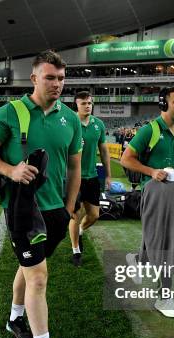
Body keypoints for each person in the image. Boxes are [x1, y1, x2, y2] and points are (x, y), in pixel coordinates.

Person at [0, 50, 81, 338]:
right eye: (50, 77)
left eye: (62, 78)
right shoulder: (10, 112)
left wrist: (68, 208)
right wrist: (10, 169)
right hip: (22, 210)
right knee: (38, 277)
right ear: (34, 78)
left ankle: (14, 318)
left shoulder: (71, 118)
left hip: (56, 213)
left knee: (29, 267)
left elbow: (76, 166)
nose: (57, 84)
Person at [120, 86, 174, 319]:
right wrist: (151, 171)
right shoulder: (149, 130)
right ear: (164, 104)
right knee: (163, 242)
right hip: (153, 194)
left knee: (169, 242)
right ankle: (163, 295)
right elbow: (126, 159)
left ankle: (146, 271)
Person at [68, 91, 110, 267]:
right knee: (75, 214)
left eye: (90, 103)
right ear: (76, 105)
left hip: (92, 176)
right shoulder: (70, 123)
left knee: (94, 215)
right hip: (72, 176)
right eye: (84, 103)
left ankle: (79, 231)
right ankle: (76, 251)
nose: (88, 106)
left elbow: (104, 150)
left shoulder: (98, 124)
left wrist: (108, 174)